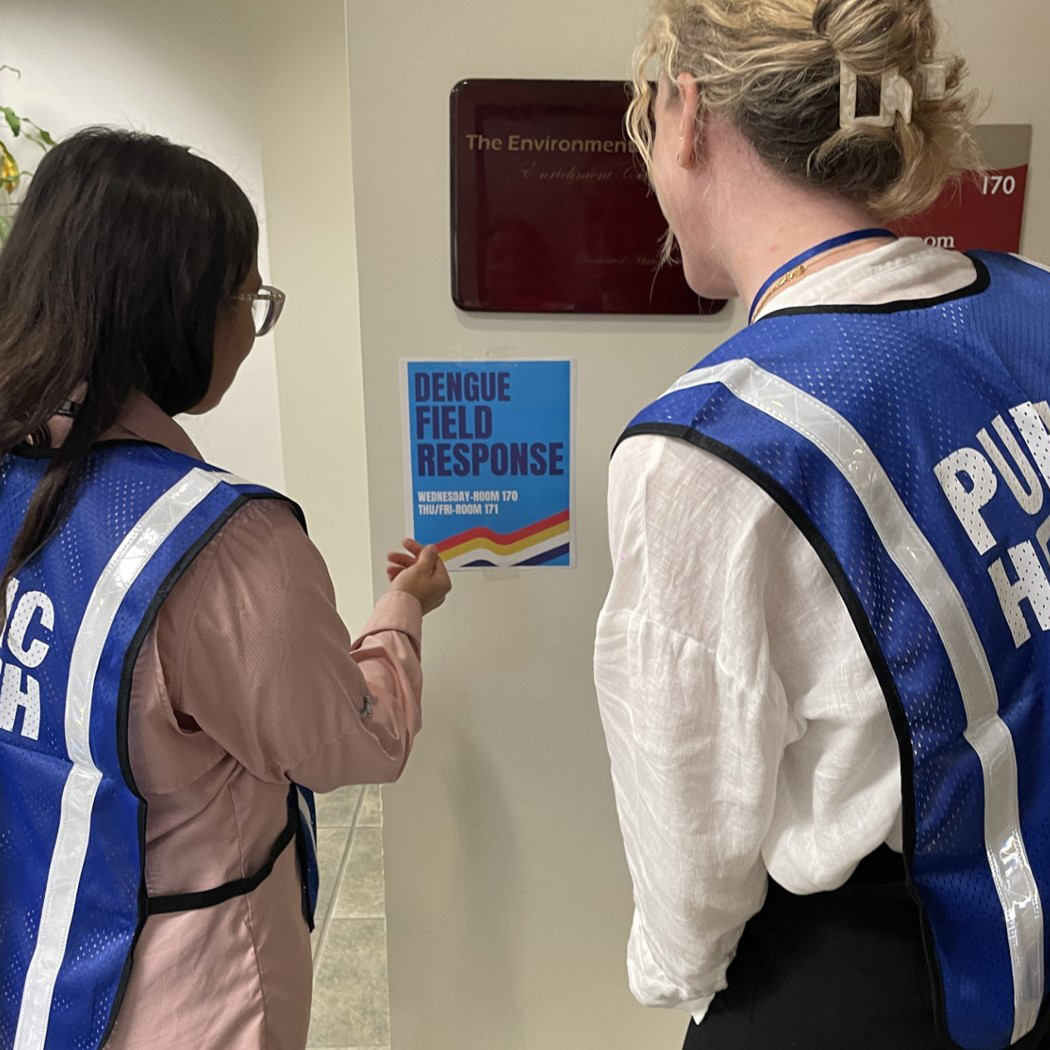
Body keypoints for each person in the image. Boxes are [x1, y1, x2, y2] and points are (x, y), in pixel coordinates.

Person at [595, 2, 1050, 1048]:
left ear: (687, 113)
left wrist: (682, 977)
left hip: (862, 982)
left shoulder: (708, 444)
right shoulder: (1031, 308)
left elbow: (690, 869)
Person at [0, 128, 451, 1050]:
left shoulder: (18, 479)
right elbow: (347, 742)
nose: (251, 327)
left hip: (37, 950)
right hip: (185, 987)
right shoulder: (223, 546)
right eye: (250, 298)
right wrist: (402, 613)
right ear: (178, 311)